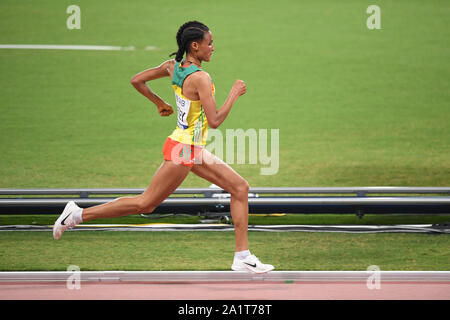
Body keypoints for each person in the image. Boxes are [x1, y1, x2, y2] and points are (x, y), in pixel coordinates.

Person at [52, 21, 274, 274]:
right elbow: (214, 121)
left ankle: (242, 257)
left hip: (188, 147)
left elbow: (137, 80)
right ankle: (78, 214)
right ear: (195, 45)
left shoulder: (172, 67)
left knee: (239, 187)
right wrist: (234, 93)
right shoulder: (201, 77)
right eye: (209, 43)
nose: (213, 48)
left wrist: (159, 102)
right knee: (145, 204)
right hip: (184, 150)